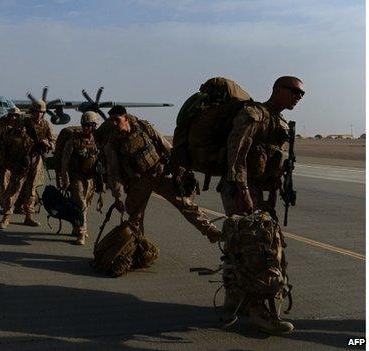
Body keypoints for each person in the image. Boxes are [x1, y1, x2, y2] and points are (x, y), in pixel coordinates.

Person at [220, 76, 304, 333]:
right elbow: (237, 153)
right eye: (294, 91)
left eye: (301, 95)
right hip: (242, 189)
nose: (298, 97)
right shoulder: (254, 114)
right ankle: (261, 311)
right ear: (277, 89)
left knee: (241, 245)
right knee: (259, 250)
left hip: (260, 192)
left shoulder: (279, 122)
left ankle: (235, 299)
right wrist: (243, 190)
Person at [104, 105, 222, 243]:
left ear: (126, 118)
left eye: (117, 120)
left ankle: (212, 232)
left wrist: (180, 169)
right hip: (139, 181)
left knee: (186, 204)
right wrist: (117, 196)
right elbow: (113, 171)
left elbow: (166, 146)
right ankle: (138, 248)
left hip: (160, 173)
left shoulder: (144, 127)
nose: (113, 124)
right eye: (111, 121)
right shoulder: (113, 143)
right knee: (135, 219)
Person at [0, 100, 55, 228]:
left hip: (36, 159)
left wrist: (47, 143)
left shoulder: (46, 125)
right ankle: (6, 216)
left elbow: (53, 142)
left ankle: (29, 216)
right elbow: (12, 139)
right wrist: (27, 139)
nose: (39, 114)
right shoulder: (23, 123)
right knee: (14, 187)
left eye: (41, 112)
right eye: (37, 112)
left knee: (32, 189)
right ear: (32, 112)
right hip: (22, 159)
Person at [60, 111, 99, 245]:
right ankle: (82, 232)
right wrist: (65, 177)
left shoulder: (98, 141)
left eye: (89, 125)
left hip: (91, 178)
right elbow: (65, 160)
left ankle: (76, 227)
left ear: (94, 126)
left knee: (85, 205)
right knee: (80, 204)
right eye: (84, 125)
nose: (86, 127)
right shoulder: (73, 141)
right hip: (76, 176)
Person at [0, 107, 22, 196]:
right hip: (6, 157)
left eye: (16, 116)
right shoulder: (3, 129)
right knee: (4, 179)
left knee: (19, 181)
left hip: (19, 158)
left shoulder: (23, 129)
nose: (13, 118)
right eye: (12, 116)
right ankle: (4, 197)